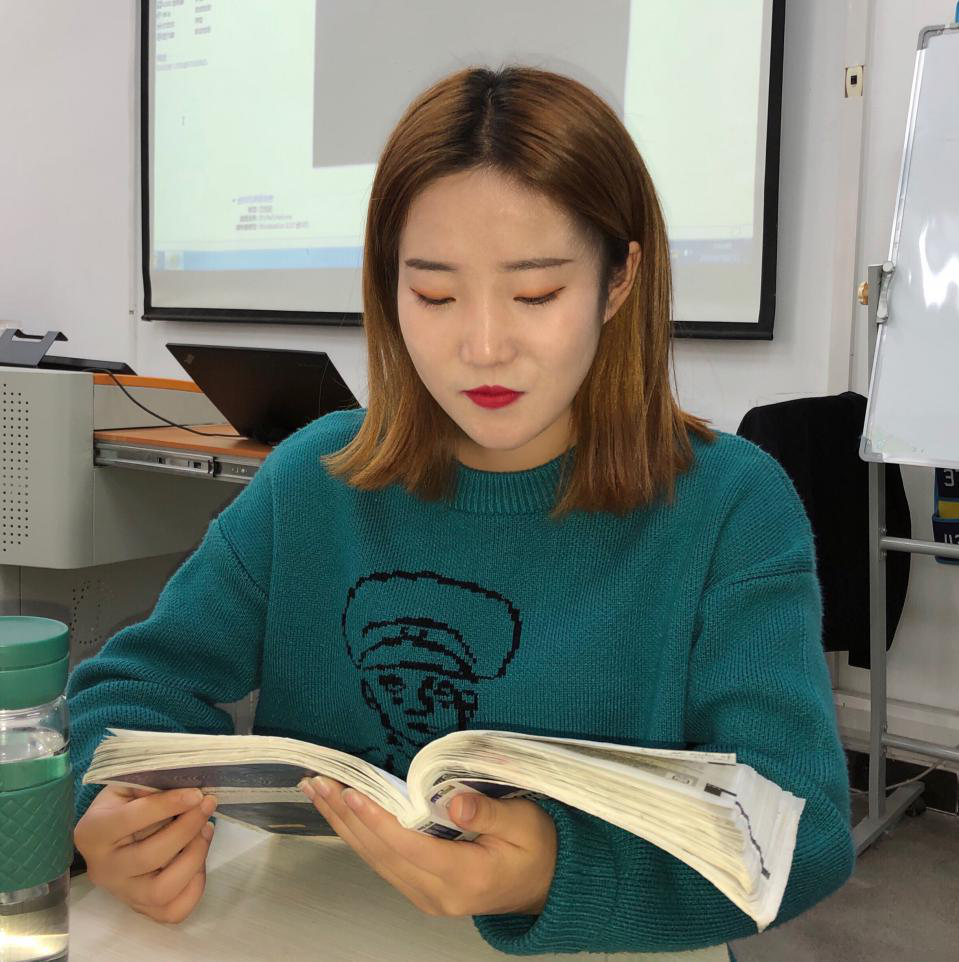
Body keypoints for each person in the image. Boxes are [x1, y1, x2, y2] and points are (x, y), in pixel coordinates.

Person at [68, 65, 855, 957]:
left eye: (536, 294)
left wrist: (556, 872)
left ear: (618, 280)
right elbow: (132, 687)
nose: (482, 346)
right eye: (434, 295)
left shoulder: (728, 507)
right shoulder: (313, 481)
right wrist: (113, 810)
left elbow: (804, 830)